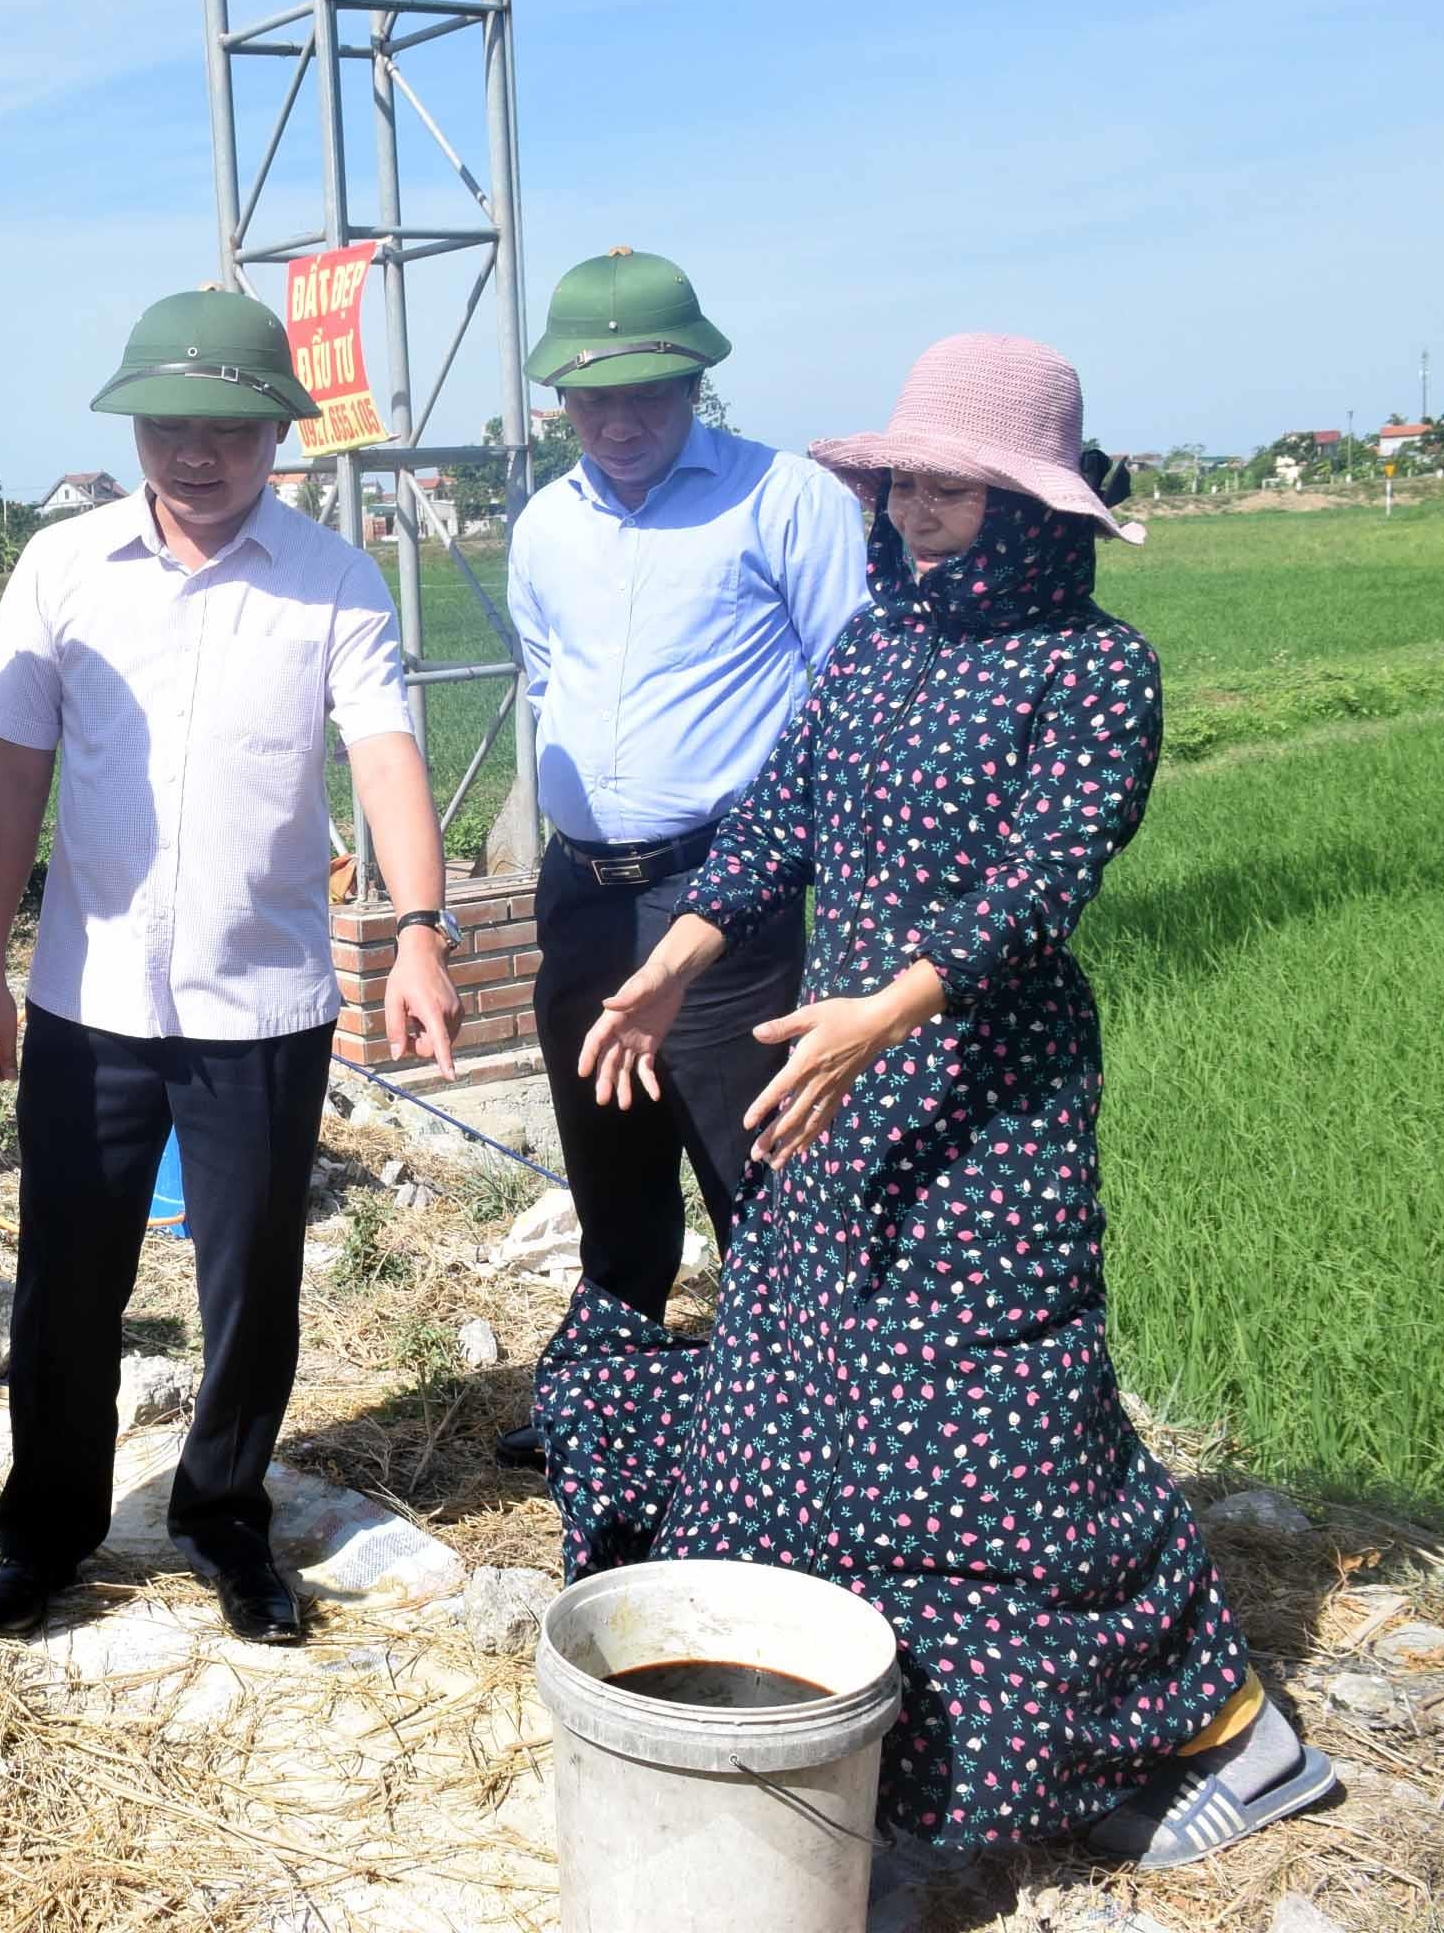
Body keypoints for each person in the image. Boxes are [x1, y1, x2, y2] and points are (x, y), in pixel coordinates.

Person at [545, 333, 1336, 1865]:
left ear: (1033, 501)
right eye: (904, 479)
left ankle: (1232, 1735)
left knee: (1008, 1428)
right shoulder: (877, 643)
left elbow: (1045, 883)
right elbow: (776, 822)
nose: (915, 509)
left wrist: (888, 1013)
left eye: (953, 487)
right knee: (788, 1399)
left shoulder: (1094, 670)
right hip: (838, 1096)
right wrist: (674, 960)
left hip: (989, 1103)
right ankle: (854, 1755)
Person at [0, 288, 462, 1648]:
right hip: (91, 1001)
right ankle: (48, 1532)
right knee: (69, 1280)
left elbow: (387, 757)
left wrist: (419, 926)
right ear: (137, 428)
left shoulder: (332, 580)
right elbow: (13, 780)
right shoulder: (63, 570)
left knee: (253, 1284)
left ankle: (224, 1514)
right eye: (173, 426)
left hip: (265, 1005)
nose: (199, 454)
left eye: (231, 429)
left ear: (276, 436)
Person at [489, 246, 873, 1471]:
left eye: (647, 392)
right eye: (592, 397)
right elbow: (546, 678)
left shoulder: (784, 498)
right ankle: (610, 1396)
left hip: (722, 889)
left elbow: (848, 698)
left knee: (745, 1159)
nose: (619, 419)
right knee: (605, 1148)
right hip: (583, 886)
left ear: (697, 381)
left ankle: (785, 1426)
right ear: (560, 400)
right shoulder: (546, 522)